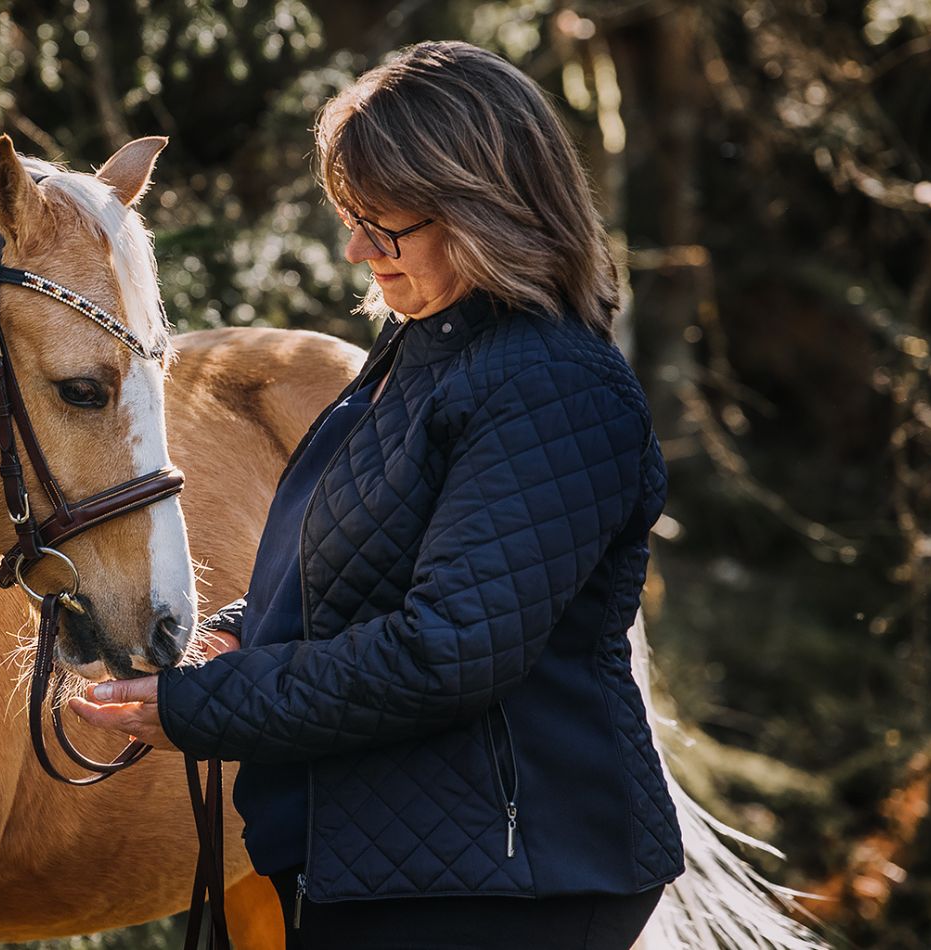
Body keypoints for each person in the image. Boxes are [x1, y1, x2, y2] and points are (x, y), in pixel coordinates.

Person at [69, 40, 683, 949]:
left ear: (484, 212)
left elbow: (449, 651)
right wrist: (237, 630)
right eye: (351, 218)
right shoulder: (420, 360)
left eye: (384, 223)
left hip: (509, 883)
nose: (357, 250)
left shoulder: (552, 385)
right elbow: (359, 573)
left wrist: (203, 709)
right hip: (406, 867)